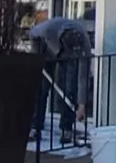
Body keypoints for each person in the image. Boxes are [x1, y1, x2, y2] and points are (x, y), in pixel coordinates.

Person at [29, 14, 94, 147]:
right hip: (44, 47)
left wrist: (81, 105)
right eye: (71, 50)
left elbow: (83, 76)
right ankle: (35, 127)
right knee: (41, 88)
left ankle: (66, 129)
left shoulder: (84, 44)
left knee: (70, 88)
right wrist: (36, 61)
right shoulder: (48, 31)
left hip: (62, 50)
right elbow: (32, 35)